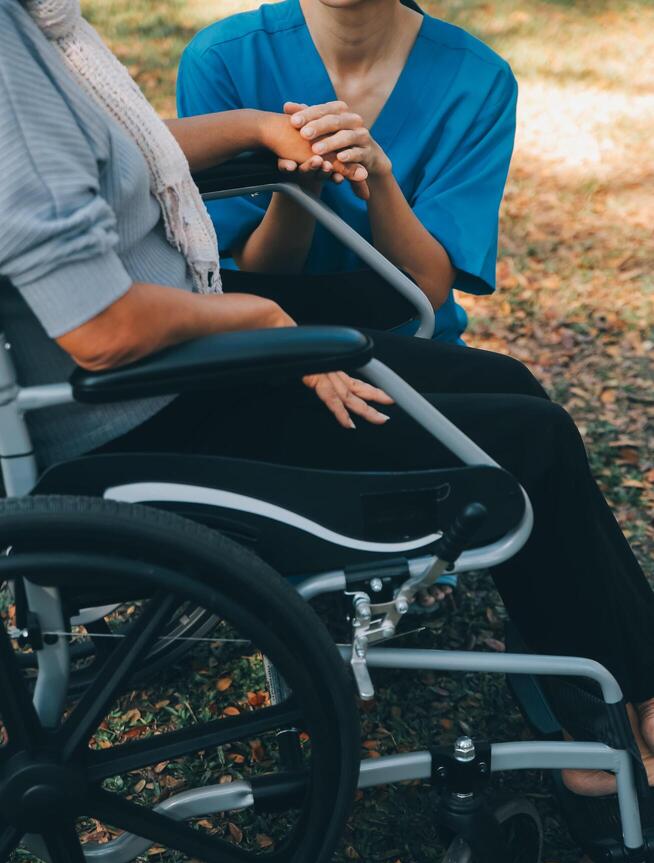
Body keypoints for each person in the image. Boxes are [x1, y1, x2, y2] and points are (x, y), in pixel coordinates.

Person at [2, 0, 653, 797]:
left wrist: (249, 127)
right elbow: (101, 330)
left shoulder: (33, 42)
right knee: (531, 438)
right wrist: (262, 318)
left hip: (183, 363)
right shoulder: (16, 76)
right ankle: (613, 702)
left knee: (507, 387)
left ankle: (609, 664)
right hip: (140, 406)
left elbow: (108, 158)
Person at [177, 0, 518, 346]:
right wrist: (301, 186)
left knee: (522, 397)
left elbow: (426, 290)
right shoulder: (221, 59)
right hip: (267, 345)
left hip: (411, 343)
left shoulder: (479, 80)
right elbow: (261, 274)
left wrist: (378, 175)